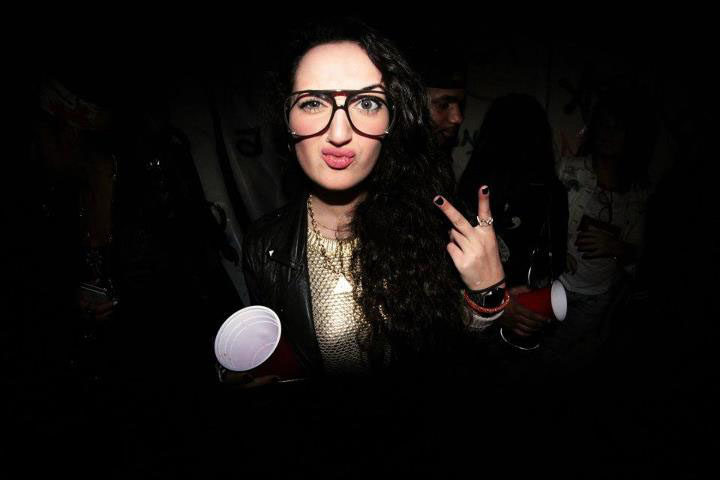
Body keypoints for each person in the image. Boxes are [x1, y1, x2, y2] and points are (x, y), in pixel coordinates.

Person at [233, 19, 507, 387]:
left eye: (367, 103)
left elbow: (455, 361)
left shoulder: (432, 227)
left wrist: (486, 297)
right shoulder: (264, 246)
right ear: (288, 121)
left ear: (392, 121)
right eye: (313, 103)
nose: (339, 133)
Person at [458, 93, 568, 360]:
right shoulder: (551, 189)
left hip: (505, 315)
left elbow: (453, 264)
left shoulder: (475, 183)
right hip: (516, 313)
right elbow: (557, 261)